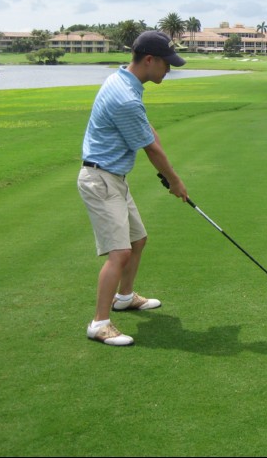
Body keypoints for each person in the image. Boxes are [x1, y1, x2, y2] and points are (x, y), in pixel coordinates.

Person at [78, 30, 188, 346]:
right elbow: (150, 149)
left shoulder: (126, 82)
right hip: (101, 180)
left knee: (137, 239)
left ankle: (125, 297)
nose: (169, 69)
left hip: (113, 177)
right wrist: (175, 180)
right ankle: (99, 323)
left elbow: (149, 133)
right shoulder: (125, 96)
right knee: (120, 252)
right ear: (150, 60)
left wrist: (169, 171)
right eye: (167, 64)